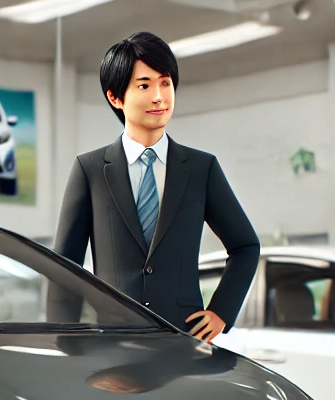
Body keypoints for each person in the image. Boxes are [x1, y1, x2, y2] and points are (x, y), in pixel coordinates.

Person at [55, 32, 258, 341]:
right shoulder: (91, 170)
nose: (159, 96)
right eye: (145, 85)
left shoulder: (202, 169)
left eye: (166, 83)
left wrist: (221, 312)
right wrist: (63, 343)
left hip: (184, 339)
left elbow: (245, 247)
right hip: (113, 343)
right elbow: (63, 268)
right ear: (116, 97)